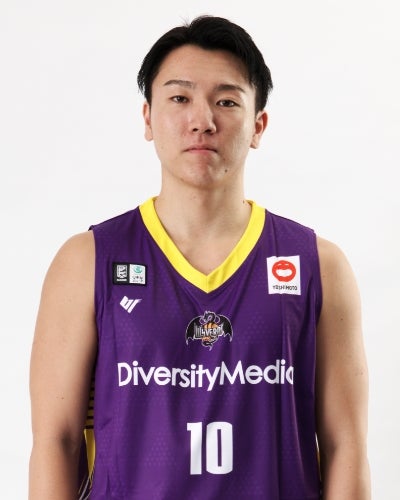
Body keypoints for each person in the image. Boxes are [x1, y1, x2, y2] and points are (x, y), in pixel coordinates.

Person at [29, 15, 370, 499]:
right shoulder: (87, 261)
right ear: (148, 118)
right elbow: (56, 441)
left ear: (258, 125)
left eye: (226, 101)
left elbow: (345, 446)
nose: (202, 120)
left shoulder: (318, 264)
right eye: (180, 98)